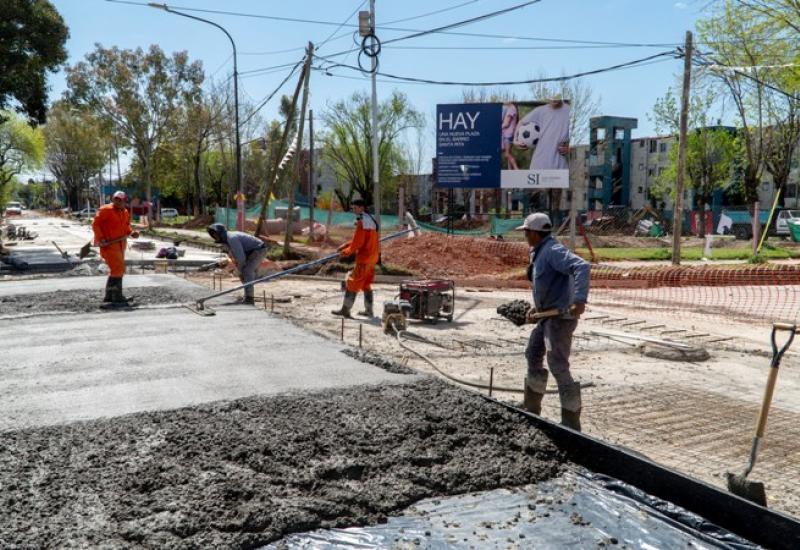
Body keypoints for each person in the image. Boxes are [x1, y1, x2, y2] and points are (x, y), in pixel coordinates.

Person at [517, 212, 590, 431]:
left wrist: (579, 300)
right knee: (533, 353)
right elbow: (546, 284)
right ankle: (532, 406)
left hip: (560, 319)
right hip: (546, 316)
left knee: (558, 365)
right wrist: (536, 308)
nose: (525, 236)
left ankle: (570, 421)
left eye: (527, 232)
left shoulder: (553, 251)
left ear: (536, 233)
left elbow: (582, 267)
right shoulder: (539, 252)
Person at [332, 198, 379, 318]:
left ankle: (345, 310)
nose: (353, 210)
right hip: (373, 257)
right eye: (353, 207)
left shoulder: (362, 222)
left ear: (362, 207)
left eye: (355, 207)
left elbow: (358, 243)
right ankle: (369, 311)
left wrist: (346, 252)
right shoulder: (370, 220)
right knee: (365, 284)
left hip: (364, 258)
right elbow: (361, 240)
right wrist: (346, 245)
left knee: (352, 282)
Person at [92, 191, 141, 305]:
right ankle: (117, 296)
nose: (118, 201)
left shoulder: (125, 212)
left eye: (120, 200)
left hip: (120, 244)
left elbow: (126, 226)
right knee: (118, 270)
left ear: (125, 201)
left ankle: (109, 296)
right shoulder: (106, 210)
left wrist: (132, 232)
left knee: (116, 270)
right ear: (113, 199)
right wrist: (101, 238)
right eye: (116, 199)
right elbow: (95, 224)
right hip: (109, 245)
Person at [207, 223, 268, 305]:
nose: (215, 237)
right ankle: (248, 294)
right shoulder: (227, 240)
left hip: (259, 249)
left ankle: (249, 299)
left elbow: (241, 258)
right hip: (250, 251)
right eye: (213, 235)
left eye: (215, 234)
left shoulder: (232, 239)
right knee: (243, 272)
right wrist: (232, 265)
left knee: (247, 271)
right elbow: (234, 256)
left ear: (220, 233)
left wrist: (238, 269)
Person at [521, 96, 571, 170]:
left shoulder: (570, 111)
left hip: (560, 168)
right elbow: (520, 123)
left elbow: (579, 138)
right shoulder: (539, 111)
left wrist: (569, 148)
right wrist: (515, 140)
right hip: (538, 166)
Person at [501, 102, 519, 170]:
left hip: (507, 134)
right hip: (510, 133)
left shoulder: (511, 108)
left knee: (507, 154)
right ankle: (510, 170)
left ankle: (516, 169)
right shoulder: (513, 108)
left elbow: (506, 124)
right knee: (509, 152)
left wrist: (496, 128)